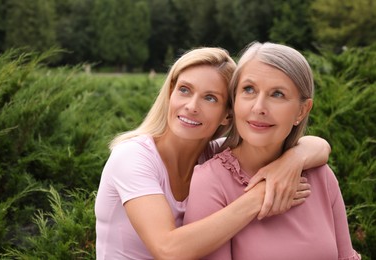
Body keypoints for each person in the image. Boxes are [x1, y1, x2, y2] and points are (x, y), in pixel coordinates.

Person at [95, 47, 331, 260]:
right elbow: (168, 250)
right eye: (185, 90)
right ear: (170, 95)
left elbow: (318, 146)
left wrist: (291, 161)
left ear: (228, 114)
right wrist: (261, 194)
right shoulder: (132, 157)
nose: (192, 106)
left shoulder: (216, 156)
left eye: (210, 98)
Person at [184, 42, 361, 259]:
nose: (259, 107)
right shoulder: (210, 181)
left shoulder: (321, 176)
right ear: (235, 100)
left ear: (302, 111)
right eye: (249, 90)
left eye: (277, 94)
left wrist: (295, 159)